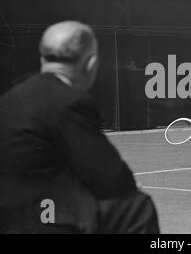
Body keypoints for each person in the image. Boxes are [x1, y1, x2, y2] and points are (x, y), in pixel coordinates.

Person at [0, 21, 160, 233]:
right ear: (91, 63)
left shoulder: (10, 99)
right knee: (135, 206)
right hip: (35, 216)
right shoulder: (70, 102)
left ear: (42, 58)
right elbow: (111, 176)